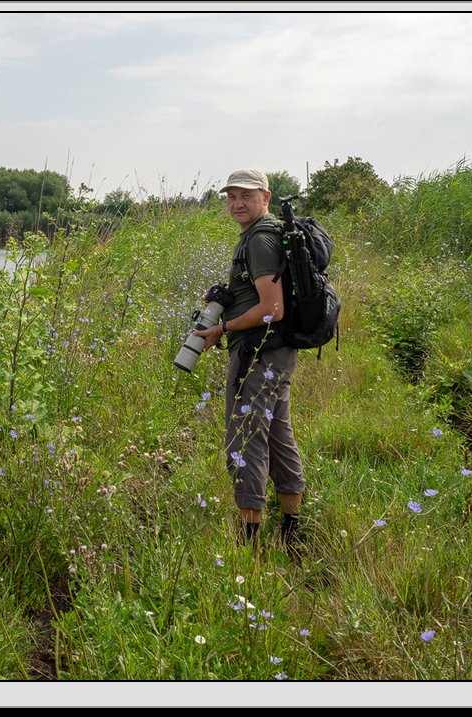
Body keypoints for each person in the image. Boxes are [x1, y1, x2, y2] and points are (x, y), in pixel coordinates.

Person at [193, 168, 305, 552]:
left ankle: (250, 543)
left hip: (259, 353)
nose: (237, 203)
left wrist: (222, 330)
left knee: (245, 440)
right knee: (277, 435)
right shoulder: (265, 234)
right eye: (231, 196)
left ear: (266, 197)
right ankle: (292, 532)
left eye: (246, 195)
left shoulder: (260, 240)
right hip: (275, 353)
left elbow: (272, 308)